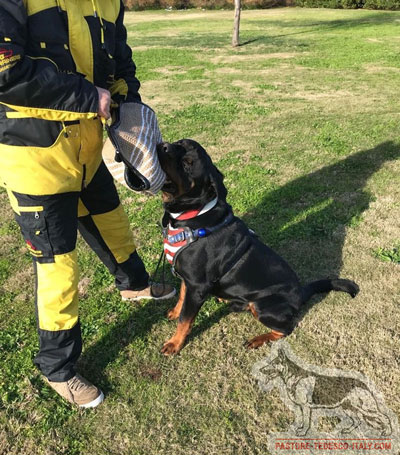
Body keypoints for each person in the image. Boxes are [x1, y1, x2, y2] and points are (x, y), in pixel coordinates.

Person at [0, 0, 175, 408]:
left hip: (88, 147)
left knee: (111, 219)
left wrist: (126, 100)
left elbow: (121, 59)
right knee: (58, 265)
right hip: (34, 155)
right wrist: (86, 95)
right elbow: (5, 70)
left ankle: (134, 285)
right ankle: (57, 367)